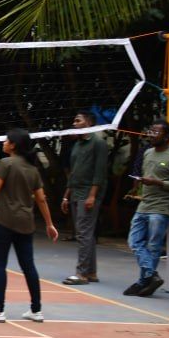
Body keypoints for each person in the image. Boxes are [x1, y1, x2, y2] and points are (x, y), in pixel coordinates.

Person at [0, 128, 58, 323]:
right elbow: (42, 199)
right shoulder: (33, 170)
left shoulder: (6, 164)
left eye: (6, 141)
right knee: (29, 266)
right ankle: (36, 310)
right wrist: (49, 224)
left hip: (4, 220)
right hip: (26, 222)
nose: (3, 143)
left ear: (14, 145)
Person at [124, 121, 169, 297]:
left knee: (153, 246)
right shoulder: (148, 153)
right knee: (134, 241)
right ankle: (151, 274)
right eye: (150, 130)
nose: (151, 134)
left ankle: (143, 282)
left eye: (155, 132)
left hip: (162, 207)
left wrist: (158, 183)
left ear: (166, 137)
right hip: (144, 204)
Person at [61, 109, 108, 285]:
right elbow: (73, 173)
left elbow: (100, 171)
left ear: (88, 122)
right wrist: (66, 195)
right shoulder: (77, 145)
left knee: (84, 234)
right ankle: (92, 272)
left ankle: (81, 273)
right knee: (85, 233)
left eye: (78, 120)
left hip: (88, 193)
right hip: (76, 192)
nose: (75, 124)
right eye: (74, 121)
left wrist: (92, 196)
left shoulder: (98, 143)